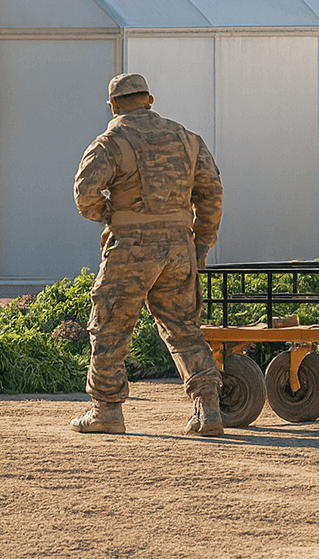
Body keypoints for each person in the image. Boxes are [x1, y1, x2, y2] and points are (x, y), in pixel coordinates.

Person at [70, 73, 226, 437]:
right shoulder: (188, 139)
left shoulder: (110, 142)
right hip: (179, 248)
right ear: (149, 100)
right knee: (184, 327)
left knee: (110, 326)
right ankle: (209, 409)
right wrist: (200, 244)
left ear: (113, 105)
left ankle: (107, 411)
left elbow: (84, 195)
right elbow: (212, 194)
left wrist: (110, 215)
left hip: (132, 250)